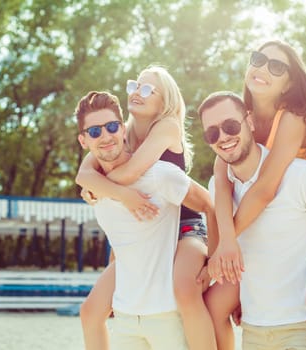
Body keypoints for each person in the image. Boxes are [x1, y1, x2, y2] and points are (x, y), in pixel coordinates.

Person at [206, 40, 306, 350]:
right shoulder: (237, 124)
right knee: (212, 306)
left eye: (277, 66)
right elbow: (221, 182)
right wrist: (224, 247)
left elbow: (264, 189)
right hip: (273, 236)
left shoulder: (292, 118)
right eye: (258, 59)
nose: (262, 68)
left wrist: (227, 242)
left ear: (289, 82)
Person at [75, 66, 218, 350]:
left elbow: (129, 174)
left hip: (186, 224)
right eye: (134, 85)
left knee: (185, 291)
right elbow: (83, 174)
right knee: (91, 311)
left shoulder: (166, 126)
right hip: (146, 234)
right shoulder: (118, 133)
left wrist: (103, 189)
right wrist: (93, 185)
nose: (136, 93)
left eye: (146, 89)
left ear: (164, 101)